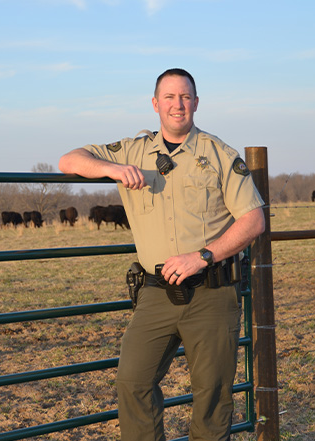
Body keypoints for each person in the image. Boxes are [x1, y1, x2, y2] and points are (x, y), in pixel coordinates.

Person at [59, 68, 265, 441]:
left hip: (212, 292)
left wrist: (201, 256)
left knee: (212, 397)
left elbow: (253, 221)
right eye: (169, 97)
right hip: (155, 293)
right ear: (155, 104)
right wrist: (112, 169)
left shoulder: (219, 154)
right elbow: (69, 160)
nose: (177, 105)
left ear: (196, 103)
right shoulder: (133, 151)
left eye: (185, 97)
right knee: (132, 382)